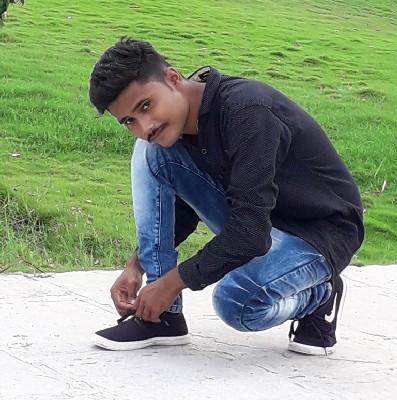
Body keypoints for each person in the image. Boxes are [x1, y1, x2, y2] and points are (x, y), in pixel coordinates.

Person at [88, 37, 364, 356]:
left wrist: (172, 282)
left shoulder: (247, 111)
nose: (145, 126)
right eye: (129, 121)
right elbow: (184, 210)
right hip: (262, 221)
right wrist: (136, 265)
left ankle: (320, 295)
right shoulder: (180, 126)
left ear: (173, 78)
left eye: (146, 106)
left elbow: (251, 233)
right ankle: (161, 318)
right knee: (150, 152)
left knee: (237, 303)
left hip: (320, 233)